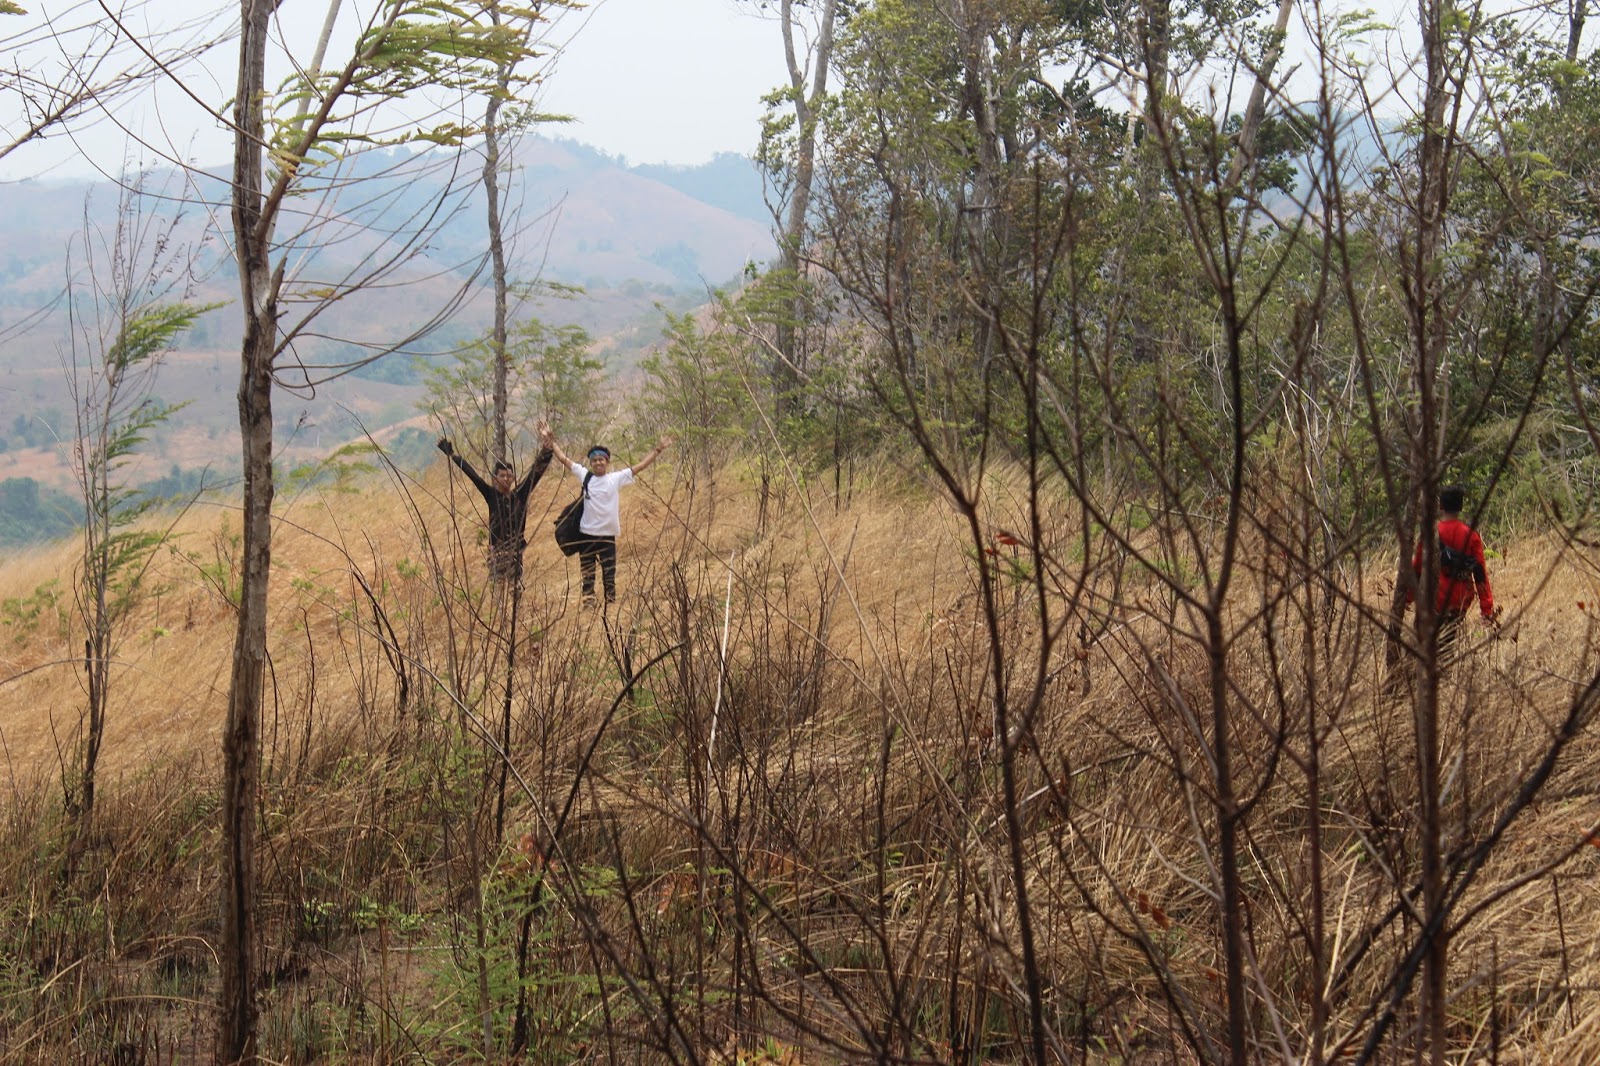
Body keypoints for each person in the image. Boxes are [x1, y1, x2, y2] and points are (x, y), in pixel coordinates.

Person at [541, 426, 673, 605]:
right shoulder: (585, 476)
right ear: (591, 463)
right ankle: (589, 603)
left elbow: (640, 466)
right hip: (586, 535)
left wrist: (659, 449)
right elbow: (565, 459)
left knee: (609, 574)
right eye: (594, 460)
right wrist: (552, 441)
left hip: (607, 536)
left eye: (601, 460)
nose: (598, 463)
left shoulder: (615, 478)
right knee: (588, 574)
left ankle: (610, 606)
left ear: (607, 461)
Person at [437, 433, 554, 585]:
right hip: (496, 552)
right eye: (502, 476)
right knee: (497, 591)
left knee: (515, 590)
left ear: (513, 478)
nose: (506, 479)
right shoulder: (491, 495)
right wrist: (452, 455)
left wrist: (547, 451)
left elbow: (535, 473)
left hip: (515, 552)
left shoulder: (520, 495)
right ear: (494, 478)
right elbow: (473, 475)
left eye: (509, 476)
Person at [1409, 484, 1497, 659]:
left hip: (1431, 599)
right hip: (1459, 601)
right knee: (1446, 648)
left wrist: (1407, 597)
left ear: (1440, 506)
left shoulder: (1431, 533)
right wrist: (1486, 610)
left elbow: (1417, 567)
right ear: (1461, 507)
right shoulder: (1471, 535)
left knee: (1425, 649)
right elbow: (1480, 574)